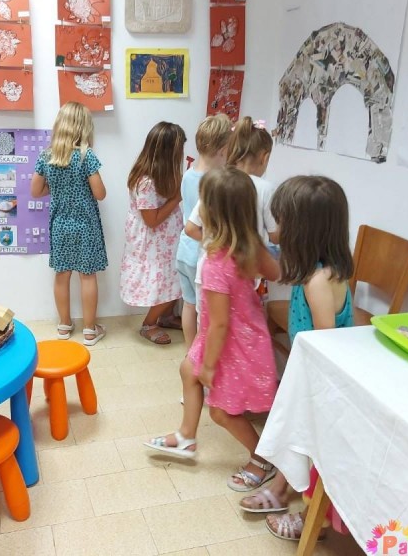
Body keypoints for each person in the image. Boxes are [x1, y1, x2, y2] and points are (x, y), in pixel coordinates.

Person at [144, 167, 281, 491]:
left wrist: (208, 366)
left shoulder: (218, 263)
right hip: (238, 334)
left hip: (233, 343)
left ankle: (262, 459)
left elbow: (220, 323)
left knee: (220, 411)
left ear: (213, 213)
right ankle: (186, 436)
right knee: (186, 370)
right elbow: (274, 272)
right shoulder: (248, 246)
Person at [238, 175, 354, 542]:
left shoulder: (319, 280)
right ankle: (280, 489)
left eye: (283, 221)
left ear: (304, 230)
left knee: (305, 439)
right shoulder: (319, 271)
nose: (278, 230)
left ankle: (309, 516)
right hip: (307, 371)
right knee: (292, 432)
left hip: (320, 377)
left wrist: (306, 388)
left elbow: (325, 343)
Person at [31, 101, 108, 346]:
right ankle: (89, 331)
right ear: (83, 128)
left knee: (62, 275)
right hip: (85, 225)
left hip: (60, 225)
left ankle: (64, 326)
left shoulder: (47, 156)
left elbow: (36, 191)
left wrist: (58, 188)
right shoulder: (86, 156)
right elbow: (100, 194)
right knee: (87, 276)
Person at [185, 116, 279, 312]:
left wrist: (216, 242)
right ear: (265, 157)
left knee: (209, 322)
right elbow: (275, 237)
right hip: (245, 271)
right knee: (242, 321)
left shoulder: (217, 181)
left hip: (209, 271)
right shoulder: (265, 188)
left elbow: (191, 228)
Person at [120, 121, 186, 345]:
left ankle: (166, 316)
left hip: (165, 242)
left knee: (173, 279)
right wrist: (176, 198)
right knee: (165, 282)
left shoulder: (161, 175)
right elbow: (152, 220)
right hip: (153, 244)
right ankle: (149, 324)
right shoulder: (146, 182)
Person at [176, 114, 231, 351]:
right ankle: (201, 356)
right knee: (205, 312)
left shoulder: (188, 174)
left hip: (183, 251)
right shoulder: (215, 182)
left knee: (189, 306)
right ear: (223, 150)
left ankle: (190, 353)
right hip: (201, 255)